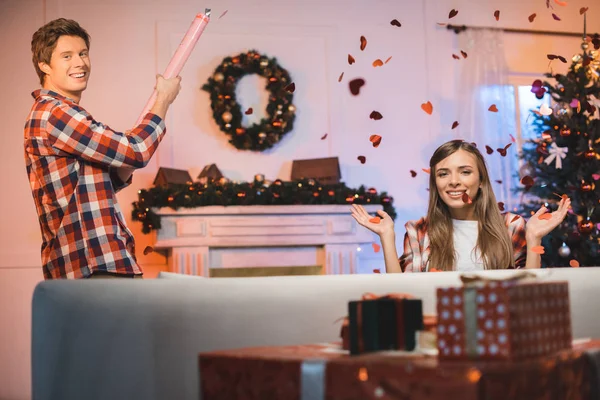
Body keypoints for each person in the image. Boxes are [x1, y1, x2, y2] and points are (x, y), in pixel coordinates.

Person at [25, 18, 182, 279]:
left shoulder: (65, 114)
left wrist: (124, 161)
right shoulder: (55, 114)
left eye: (83, 53)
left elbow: (101, 183)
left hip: (97, 263)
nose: (80, 63)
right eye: (67, 56)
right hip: (91, 263)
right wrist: (163, 99)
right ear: (44, 65)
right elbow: (138, 151)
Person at [351, 140, 570, 273]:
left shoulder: (511, 225)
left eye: (465, 172)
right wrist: (386, 237)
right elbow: (403, 294)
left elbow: (529, 292)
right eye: (443, 174)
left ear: (481, 180)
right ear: (436, 183)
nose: (453, 181)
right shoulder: (418, 230)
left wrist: (534, 239)